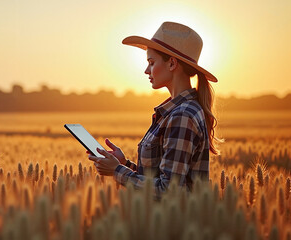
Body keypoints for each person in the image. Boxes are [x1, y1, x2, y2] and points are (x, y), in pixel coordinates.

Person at [87, 21, 223, 198]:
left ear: (172, 64)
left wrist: (117, 171)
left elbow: (169, 191)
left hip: (172, 225)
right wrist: (123, 164)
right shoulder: (177, 111)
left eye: (151, 62)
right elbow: (161, 176)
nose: (146, 70)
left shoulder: (182, 115)